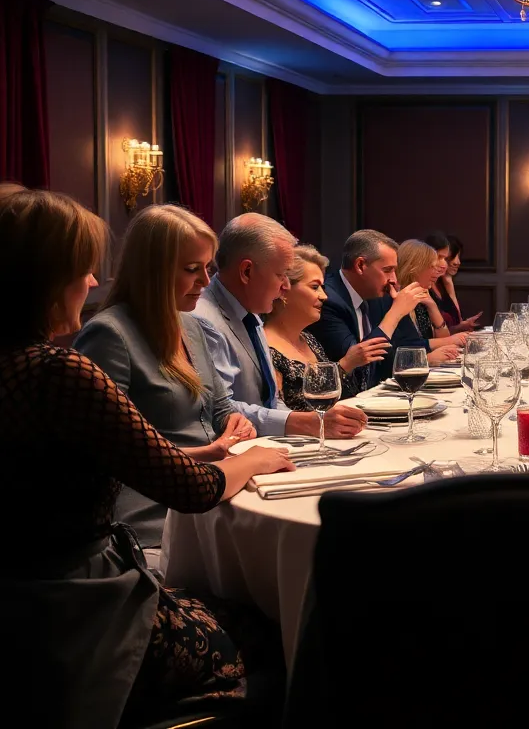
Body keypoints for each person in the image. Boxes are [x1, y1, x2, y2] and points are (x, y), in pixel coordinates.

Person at [0, 190, 295, 727]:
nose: (93, 282)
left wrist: (215, 448)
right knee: (277, 630)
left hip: (24, 604)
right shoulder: (59, 371)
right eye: (82, 270)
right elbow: (190, 488)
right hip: (81, 612)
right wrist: (253, 460)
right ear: (41, 280)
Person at [74, 205, 255, 557]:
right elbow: (104, 456)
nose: (206, 281)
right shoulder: (109, 334)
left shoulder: (190, 325)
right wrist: (205, 455)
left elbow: (220, 406)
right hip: (152, 514)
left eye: (207, 267)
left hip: (212, 494)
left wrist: (236, 423)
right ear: (152, 270)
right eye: (192, 269)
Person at [193, 213, 366, 438]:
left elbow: (271, 402)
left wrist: (311, 422)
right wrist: (303, 424)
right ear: (247, 272)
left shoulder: (250, 312)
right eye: (281, 274)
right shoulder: (203, 319)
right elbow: (220, 410)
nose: (285, 286)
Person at [308, 229, 432, 390]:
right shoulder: (329, 301)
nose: (394, 280)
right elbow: (360, 368)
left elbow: (410, 349)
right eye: (387, 270)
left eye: (394, 271)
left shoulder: (378, 295)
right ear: (360, 265)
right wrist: (395, 313)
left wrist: (399, 311)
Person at [265, 245, 383, 410]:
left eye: (322, 287)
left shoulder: (308, 339)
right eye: (314, 287)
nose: (324, 296)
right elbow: (276, 414)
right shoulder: (264, 346)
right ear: (283, 289)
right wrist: (345, 364)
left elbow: (337, 396)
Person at [395, 239, 468, 357]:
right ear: (414, 268)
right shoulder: (395, 298)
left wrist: (432, 306)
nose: (437, 271)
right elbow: (404, 346)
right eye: (431, 267)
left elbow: (443, 340)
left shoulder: (423, 296)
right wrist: (430, 357)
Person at [427, 232, 481, 333]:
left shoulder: (442, 284)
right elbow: (432, 334)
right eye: (441, 258)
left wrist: (449, 284)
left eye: (445, 258)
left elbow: (456, 321)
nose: (457, 262)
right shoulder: (424, 288)